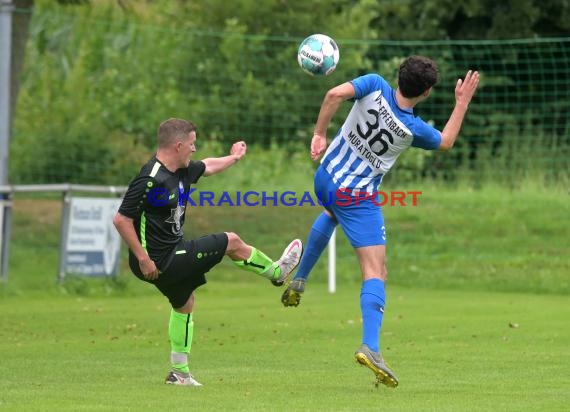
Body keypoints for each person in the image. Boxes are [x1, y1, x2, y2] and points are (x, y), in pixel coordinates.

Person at [281, 56, 480, 387]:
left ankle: (300, 278)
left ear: (398, 76)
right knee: (376, 272)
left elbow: (332, 95)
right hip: (356, 196)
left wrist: (319, 134)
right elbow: (446, 142)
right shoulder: (412, 128)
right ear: (427, 92)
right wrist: (462, 103)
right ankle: (370, 348)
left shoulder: (373, 84)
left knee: (331, 212)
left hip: (325, 177)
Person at [113, 118, 303, 387]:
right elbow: (121, 219)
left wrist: (234, 157)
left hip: (167, 256)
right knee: (231, 241)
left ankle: (179, 373)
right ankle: (277, 271)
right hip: (159, 260)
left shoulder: (181, 169)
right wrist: (143, 258)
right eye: (191, 144)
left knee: (184, 303)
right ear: (178, 145)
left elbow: (209, 165)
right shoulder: (150, 178)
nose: (194, 149)